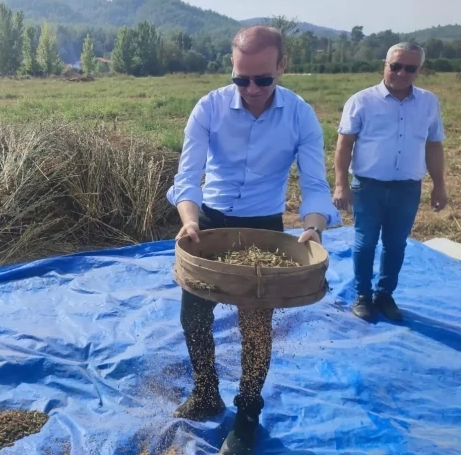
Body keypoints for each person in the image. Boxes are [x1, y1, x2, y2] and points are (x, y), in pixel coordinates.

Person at [167, 25, 340, 455]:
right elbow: (187, 177)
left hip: (264, 226)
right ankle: (206, 391)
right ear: (232, 67)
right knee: (194, 316)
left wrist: (313, 226)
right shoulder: (209, 108)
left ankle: (247, 414)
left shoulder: (299, 114)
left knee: (256, 326)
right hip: (210, 223)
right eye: (241, 79)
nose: (252, 88)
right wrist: (190, 220)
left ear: (282, 66)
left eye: (264, 78)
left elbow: (316, 185)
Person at [333, 42, 447, 323]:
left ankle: (385, 295)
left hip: (407, 188)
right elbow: (344, 144)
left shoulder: (428, 103)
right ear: (384, 65)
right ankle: (362, 295)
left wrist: (439, 184)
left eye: (410, 68)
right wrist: (340, 184)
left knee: (396, 244)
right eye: (395, 66)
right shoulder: (362, 100)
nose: (401, 73)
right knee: (365, 243)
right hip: (368, 186)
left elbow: (434, 145)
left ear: (419, 71)